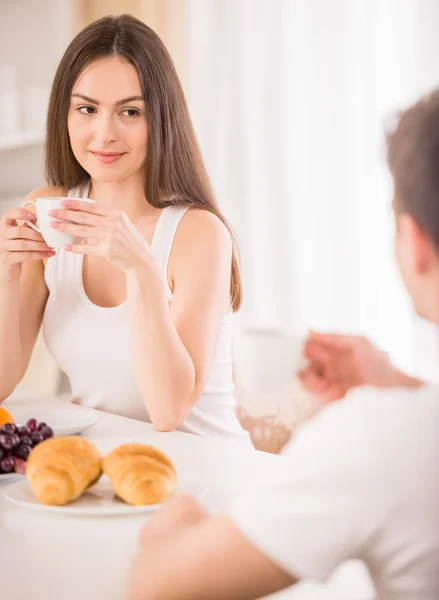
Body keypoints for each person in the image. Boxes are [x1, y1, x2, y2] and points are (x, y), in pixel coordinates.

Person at [127, 90, 439, 599]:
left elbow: (155, 586)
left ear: (415, 243)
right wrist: (403, 385)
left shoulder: (379, 440)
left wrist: (176, 514)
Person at [0, 14, 251, 443]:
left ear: (160, 119)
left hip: (206, 474)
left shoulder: (199, 234)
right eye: (87, 109)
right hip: (104, 473)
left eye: (130, 112)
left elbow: (169, 411)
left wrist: (142, 271)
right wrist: (7, 272)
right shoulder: (47, 212)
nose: (104, 133)